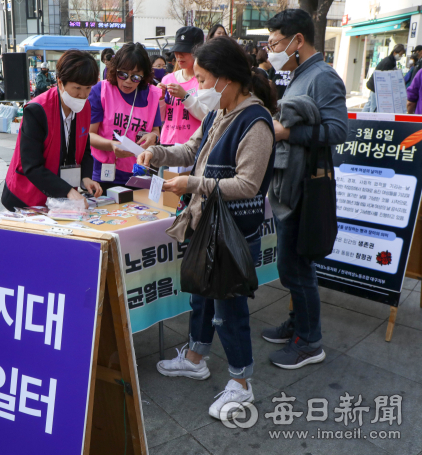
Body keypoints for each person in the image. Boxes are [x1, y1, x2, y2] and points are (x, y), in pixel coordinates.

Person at [138, 36, 277, 419]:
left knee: (229, 307)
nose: (196, 85)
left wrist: (191, 184)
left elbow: (247, 185)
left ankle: (242, 383)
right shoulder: (218, 114)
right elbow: (191, 150)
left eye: (201, 78)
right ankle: (197, 356)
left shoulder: (256, 122)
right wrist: (159, 153)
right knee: (201, 293)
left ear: (225, 79)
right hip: (205, 223)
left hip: (231, 231)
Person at [263, 9, 348, 368]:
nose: (271, 51)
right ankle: (300, 324)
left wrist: (286, 133)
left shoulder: (323, 77)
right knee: (292, 265)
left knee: (296, 267)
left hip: (305, 189)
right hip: (289, 185)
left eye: (275, 43)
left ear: (298, 40)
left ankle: (310, 342)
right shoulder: (298, 74)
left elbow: (339, 132)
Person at [3, 50, 102, 210]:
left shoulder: (86, 107)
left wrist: (86, 177)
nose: (83, 95)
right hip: (26, 197)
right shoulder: (37, 110)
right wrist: (67, 190)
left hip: (61, 199)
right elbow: (32, 166)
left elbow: (84, 149)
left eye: (88, 88)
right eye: (77, 88)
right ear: (60, 82)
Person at [88, 43, 162, 190]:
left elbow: (155, 131)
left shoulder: (151, 94)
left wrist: (154, 137)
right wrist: (111, 145)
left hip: (139, 173)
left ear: (144, 76)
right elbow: (89, 135)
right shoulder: (101, 91)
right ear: (114, 70)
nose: (128, 81)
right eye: (122, 74)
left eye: (135, 77)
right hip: (104, 173)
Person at [159, 26, 212, 147]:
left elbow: (207, 115)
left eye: (184, 52)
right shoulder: (167, 79)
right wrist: (161, 99)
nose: (179, 56)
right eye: (177, 52)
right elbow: (162, 117)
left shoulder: (205, 80)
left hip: (193, 146)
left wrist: (185, 96)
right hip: (167, 143)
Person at [363, 43, 406, 112]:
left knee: (370, 103)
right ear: (395, 53)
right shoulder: (388, 62)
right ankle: (369, 120)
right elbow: (384, 76)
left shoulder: (391, 60)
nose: (400, 56)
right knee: (373, 106)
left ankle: (362, 117)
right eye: (400, 54)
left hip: (374, 85)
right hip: (376, 87)